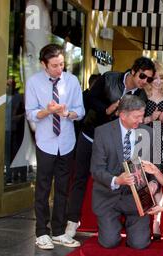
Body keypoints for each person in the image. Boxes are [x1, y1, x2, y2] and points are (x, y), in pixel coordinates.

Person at [65, 57, 155, 238]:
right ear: (133, 70)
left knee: (114, 177)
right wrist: (106, 109)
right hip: (90, 134)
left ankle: (116, 224)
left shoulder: (142, 95)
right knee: (80, 178)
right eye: (143, 76)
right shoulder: (108, 78)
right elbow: (89, 98)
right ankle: (72, 222)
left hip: (112, 143)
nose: (145, 81)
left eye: (149, 79)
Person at [25, 43, 85, 249]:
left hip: (67, 141)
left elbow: (81, 111)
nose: (59, 69)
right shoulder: (34, 82)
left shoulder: (72, 81)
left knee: (62, 188)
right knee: (42, 187)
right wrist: (48, 111)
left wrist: (67, 113)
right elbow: (31, 113)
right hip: (45, 142)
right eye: (54, 65)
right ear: (44, 64)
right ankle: (42, 231)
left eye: (62, 64)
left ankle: (58, 231)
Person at [90, 95, 159, 249]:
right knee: (109, 242)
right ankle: (112, 227)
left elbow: (157, 168)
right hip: (108, 197)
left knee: (140, 244)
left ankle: (133, 229)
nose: (141, 120)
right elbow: (96, 170)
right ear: (122, 115)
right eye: (137, 116)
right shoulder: (102, 132)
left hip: (137, 198)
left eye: (142, 115)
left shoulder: (149, 133)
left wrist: (154, 184)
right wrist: (117, 180)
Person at [143, 61, 163, 240]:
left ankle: (156, 221)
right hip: (144, 143)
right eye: (155, 78)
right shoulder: (142, 95)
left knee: (159, 183)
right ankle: (142, 221)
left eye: (162, 78)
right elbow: (135, 122)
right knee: (146, 183)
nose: (158, 82)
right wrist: (150, 118)